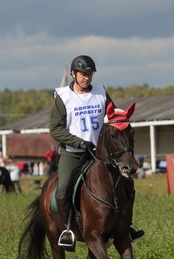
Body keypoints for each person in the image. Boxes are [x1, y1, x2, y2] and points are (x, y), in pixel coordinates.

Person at [49, 55, 144, 248]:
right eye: (83, 74)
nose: (87, 78)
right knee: (64, 186)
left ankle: (126, 226)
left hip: (100, 155)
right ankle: (67, 229)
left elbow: (114, 117)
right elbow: (55, 129)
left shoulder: (101, 92)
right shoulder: (63, 97)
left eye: (90, 74)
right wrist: (79, 142)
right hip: (73, 153)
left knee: (128, 183)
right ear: (73, 74)